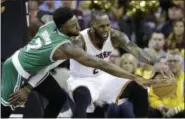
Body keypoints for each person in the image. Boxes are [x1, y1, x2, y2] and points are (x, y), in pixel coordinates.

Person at [1, 7, 141, 118]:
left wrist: (28, 87)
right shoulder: (65, 48)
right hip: (16, 69)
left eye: (77, 23)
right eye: (73, 26)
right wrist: (134, 77)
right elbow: (102, 64)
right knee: (5, 110)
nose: (79, 28)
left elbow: (39, 14)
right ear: (63, 28)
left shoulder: (51, 23)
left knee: (58, 98)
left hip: (35, 68)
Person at [66, 11, 172, 117]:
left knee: (139, 87)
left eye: (108, 25)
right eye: (102, 26)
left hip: (102, 79)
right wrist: (133, 76)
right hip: (81, 80)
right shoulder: (79, 41)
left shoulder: (114, 36)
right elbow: (103, 65)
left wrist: (155, 62)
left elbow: (135, 50)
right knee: (84, 99)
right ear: (93, 25)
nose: (106, 29)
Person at [148, 51, 184, 118]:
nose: (172, 63)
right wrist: (161, 107)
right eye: (170, 61)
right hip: (163, 110)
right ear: (166, 63)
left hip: (180, 111)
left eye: (175, 61)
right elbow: (152, 97)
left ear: (181, 63)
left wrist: (176, 109)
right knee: (151, 111)